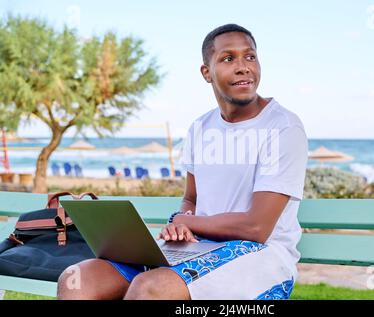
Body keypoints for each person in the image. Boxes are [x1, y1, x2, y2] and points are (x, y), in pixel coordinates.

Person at [57, 23, 308, 300]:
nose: (243, 67)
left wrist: (187, 221)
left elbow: (256, 228)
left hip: (262, 258)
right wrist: (183, 222)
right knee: (77, 280)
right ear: (206, 72)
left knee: (150, 288)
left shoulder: (282, 127)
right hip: (197, 247)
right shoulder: (200, 128)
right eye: (228, 58)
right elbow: (191, 199)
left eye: (250, 56)